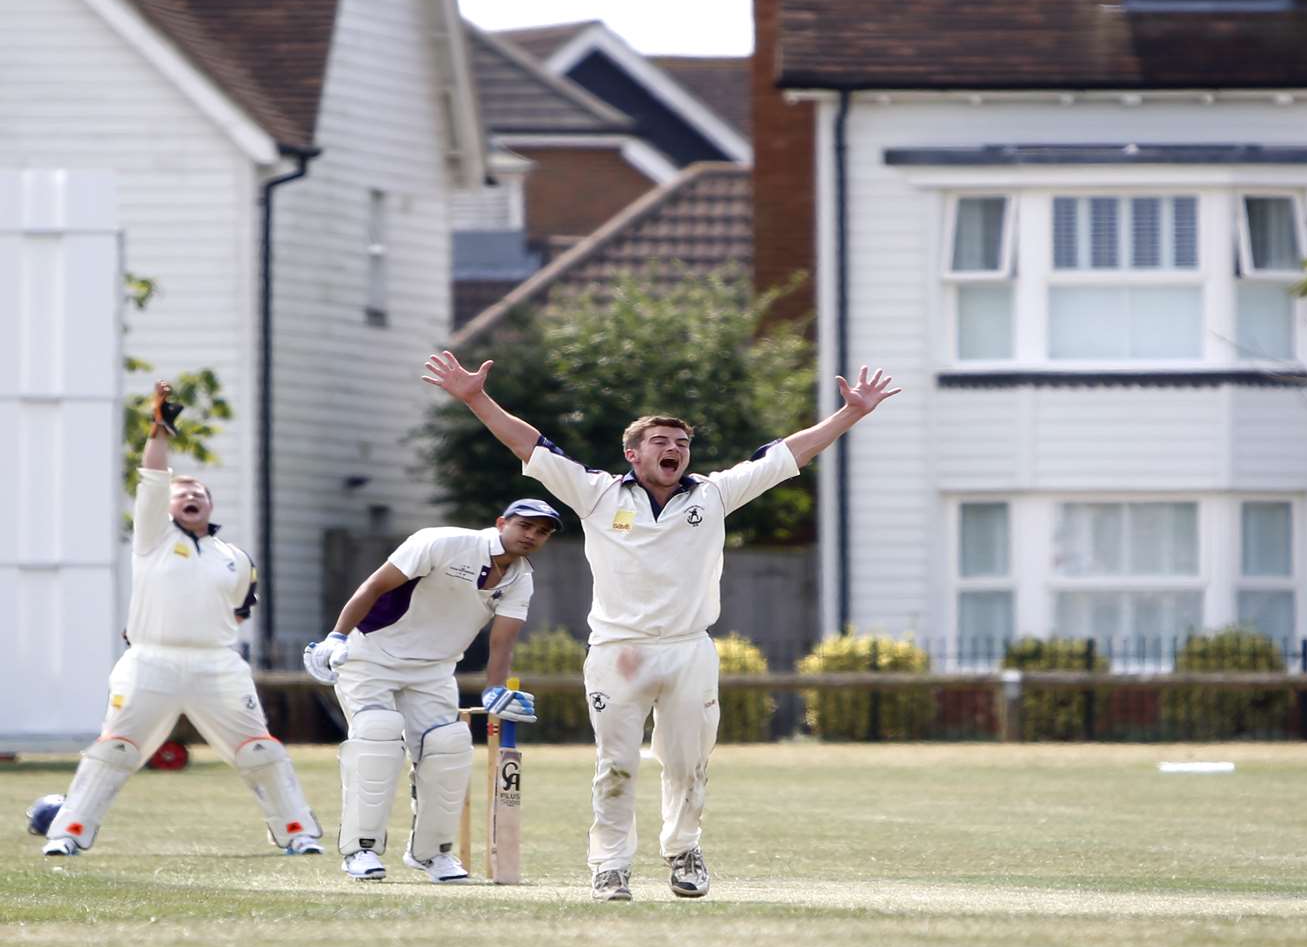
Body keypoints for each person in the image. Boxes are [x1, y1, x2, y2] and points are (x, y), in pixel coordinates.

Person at [422, 350, 900, 902]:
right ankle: (609, 865)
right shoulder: (598, 493)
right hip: (618, 650)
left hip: (687, 649)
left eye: (682, 443)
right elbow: (529, 445)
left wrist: (849, 416)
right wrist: (476, 398)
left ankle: (683, 850)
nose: (674, 450)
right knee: (617, 763)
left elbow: (785, 456)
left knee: (687, 763)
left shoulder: (713, 495)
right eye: (661, 443)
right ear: (633, 454)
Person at [42, 382, 324, 858]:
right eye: (181, 492)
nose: (189, 495)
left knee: (260, 749)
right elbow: (152, 478)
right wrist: (159, 430)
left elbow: (236, 609)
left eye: (198, 491)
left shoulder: (235, 558)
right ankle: (67, 835)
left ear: (210, 505)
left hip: (216, 664)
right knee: (116, 749)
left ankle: (297, 832)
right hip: (150, 660)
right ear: (169, 507)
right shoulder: (152, 537)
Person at [303, 500, 560, 882]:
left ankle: (432, 854)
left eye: (542, 532)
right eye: (525, 526)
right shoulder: (443, 542)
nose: (532, 536)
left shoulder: (520, 577)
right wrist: (336, 636)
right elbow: (375, 585)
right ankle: (360, 850)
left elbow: (502, 641)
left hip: (436, 669)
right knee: (377, 735)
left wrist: (493, 690)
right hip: (372, 654)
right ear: (501, 521)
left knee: (449, 745)